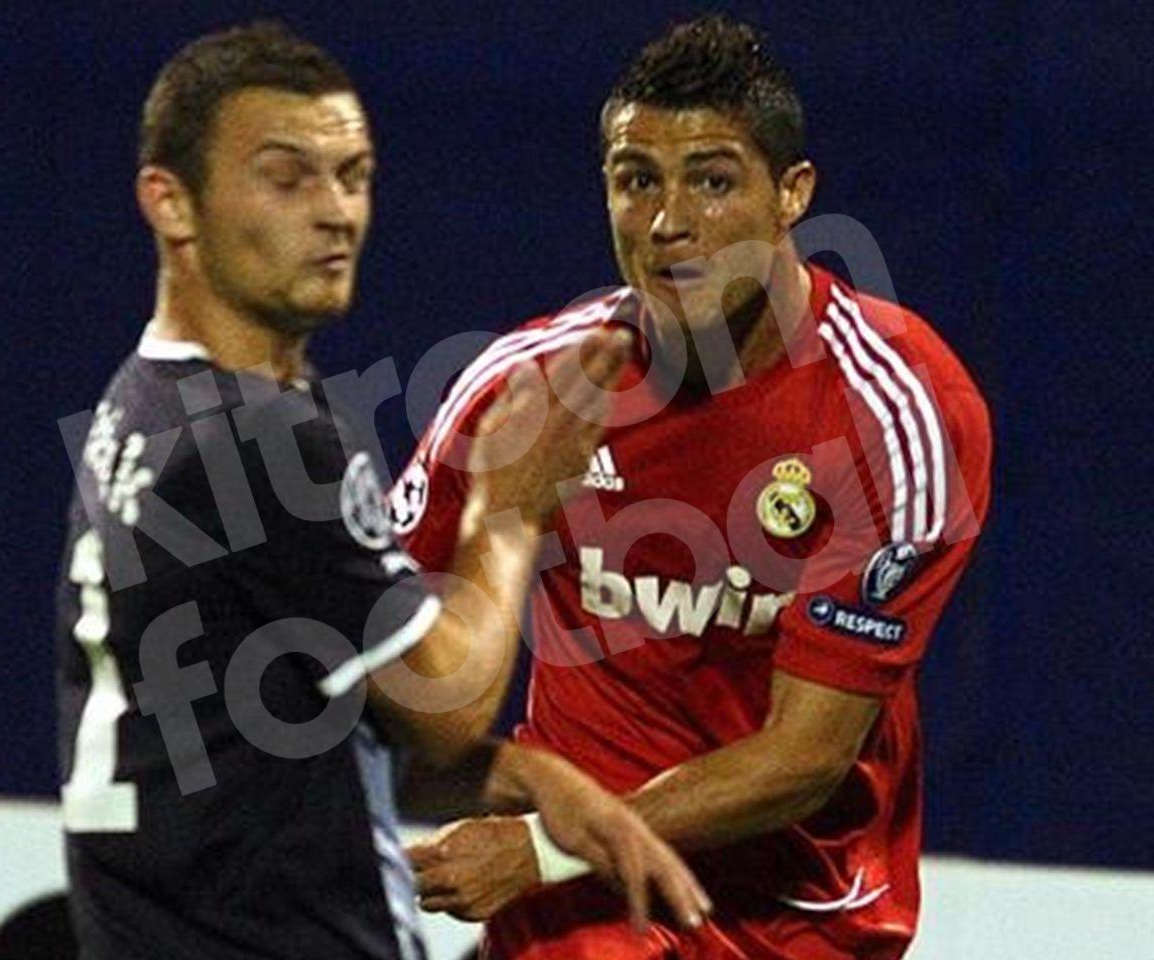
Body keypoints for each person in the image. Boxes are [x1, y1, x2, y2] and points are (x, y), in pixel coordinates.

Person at [55, 22, 709, 960]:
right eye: (287, 178)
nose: (335, 212)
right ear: (171, 202)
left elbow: (293, 729)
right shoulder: (256, 439)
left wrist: (537, 782)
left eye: (353, 176)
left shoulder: (148, 401)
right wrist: (511, 508)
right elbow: (445, 701)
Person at [399, 14, 991, 960]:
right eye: (637, 181)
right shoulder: (522, 391)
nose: (669, 222)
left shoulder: (902, 413)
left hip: (801, 913)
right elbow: (391, 666)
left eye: (712, 180)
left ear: (792, 192)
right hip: (581, 920)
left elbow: (805, 760)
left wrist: (547, 847)